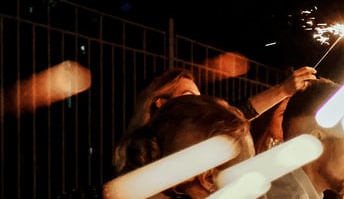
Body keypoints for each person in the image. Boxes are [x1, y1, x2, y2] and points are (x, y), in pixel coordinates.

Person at [114, 65, 317, 173]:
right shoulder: (139, 156)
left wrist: (284, 90)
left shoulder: (200, 140)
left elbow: (240, 113)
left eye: (199, 96)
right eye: (188, 96)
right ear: (161, 103)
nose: (199, 103)